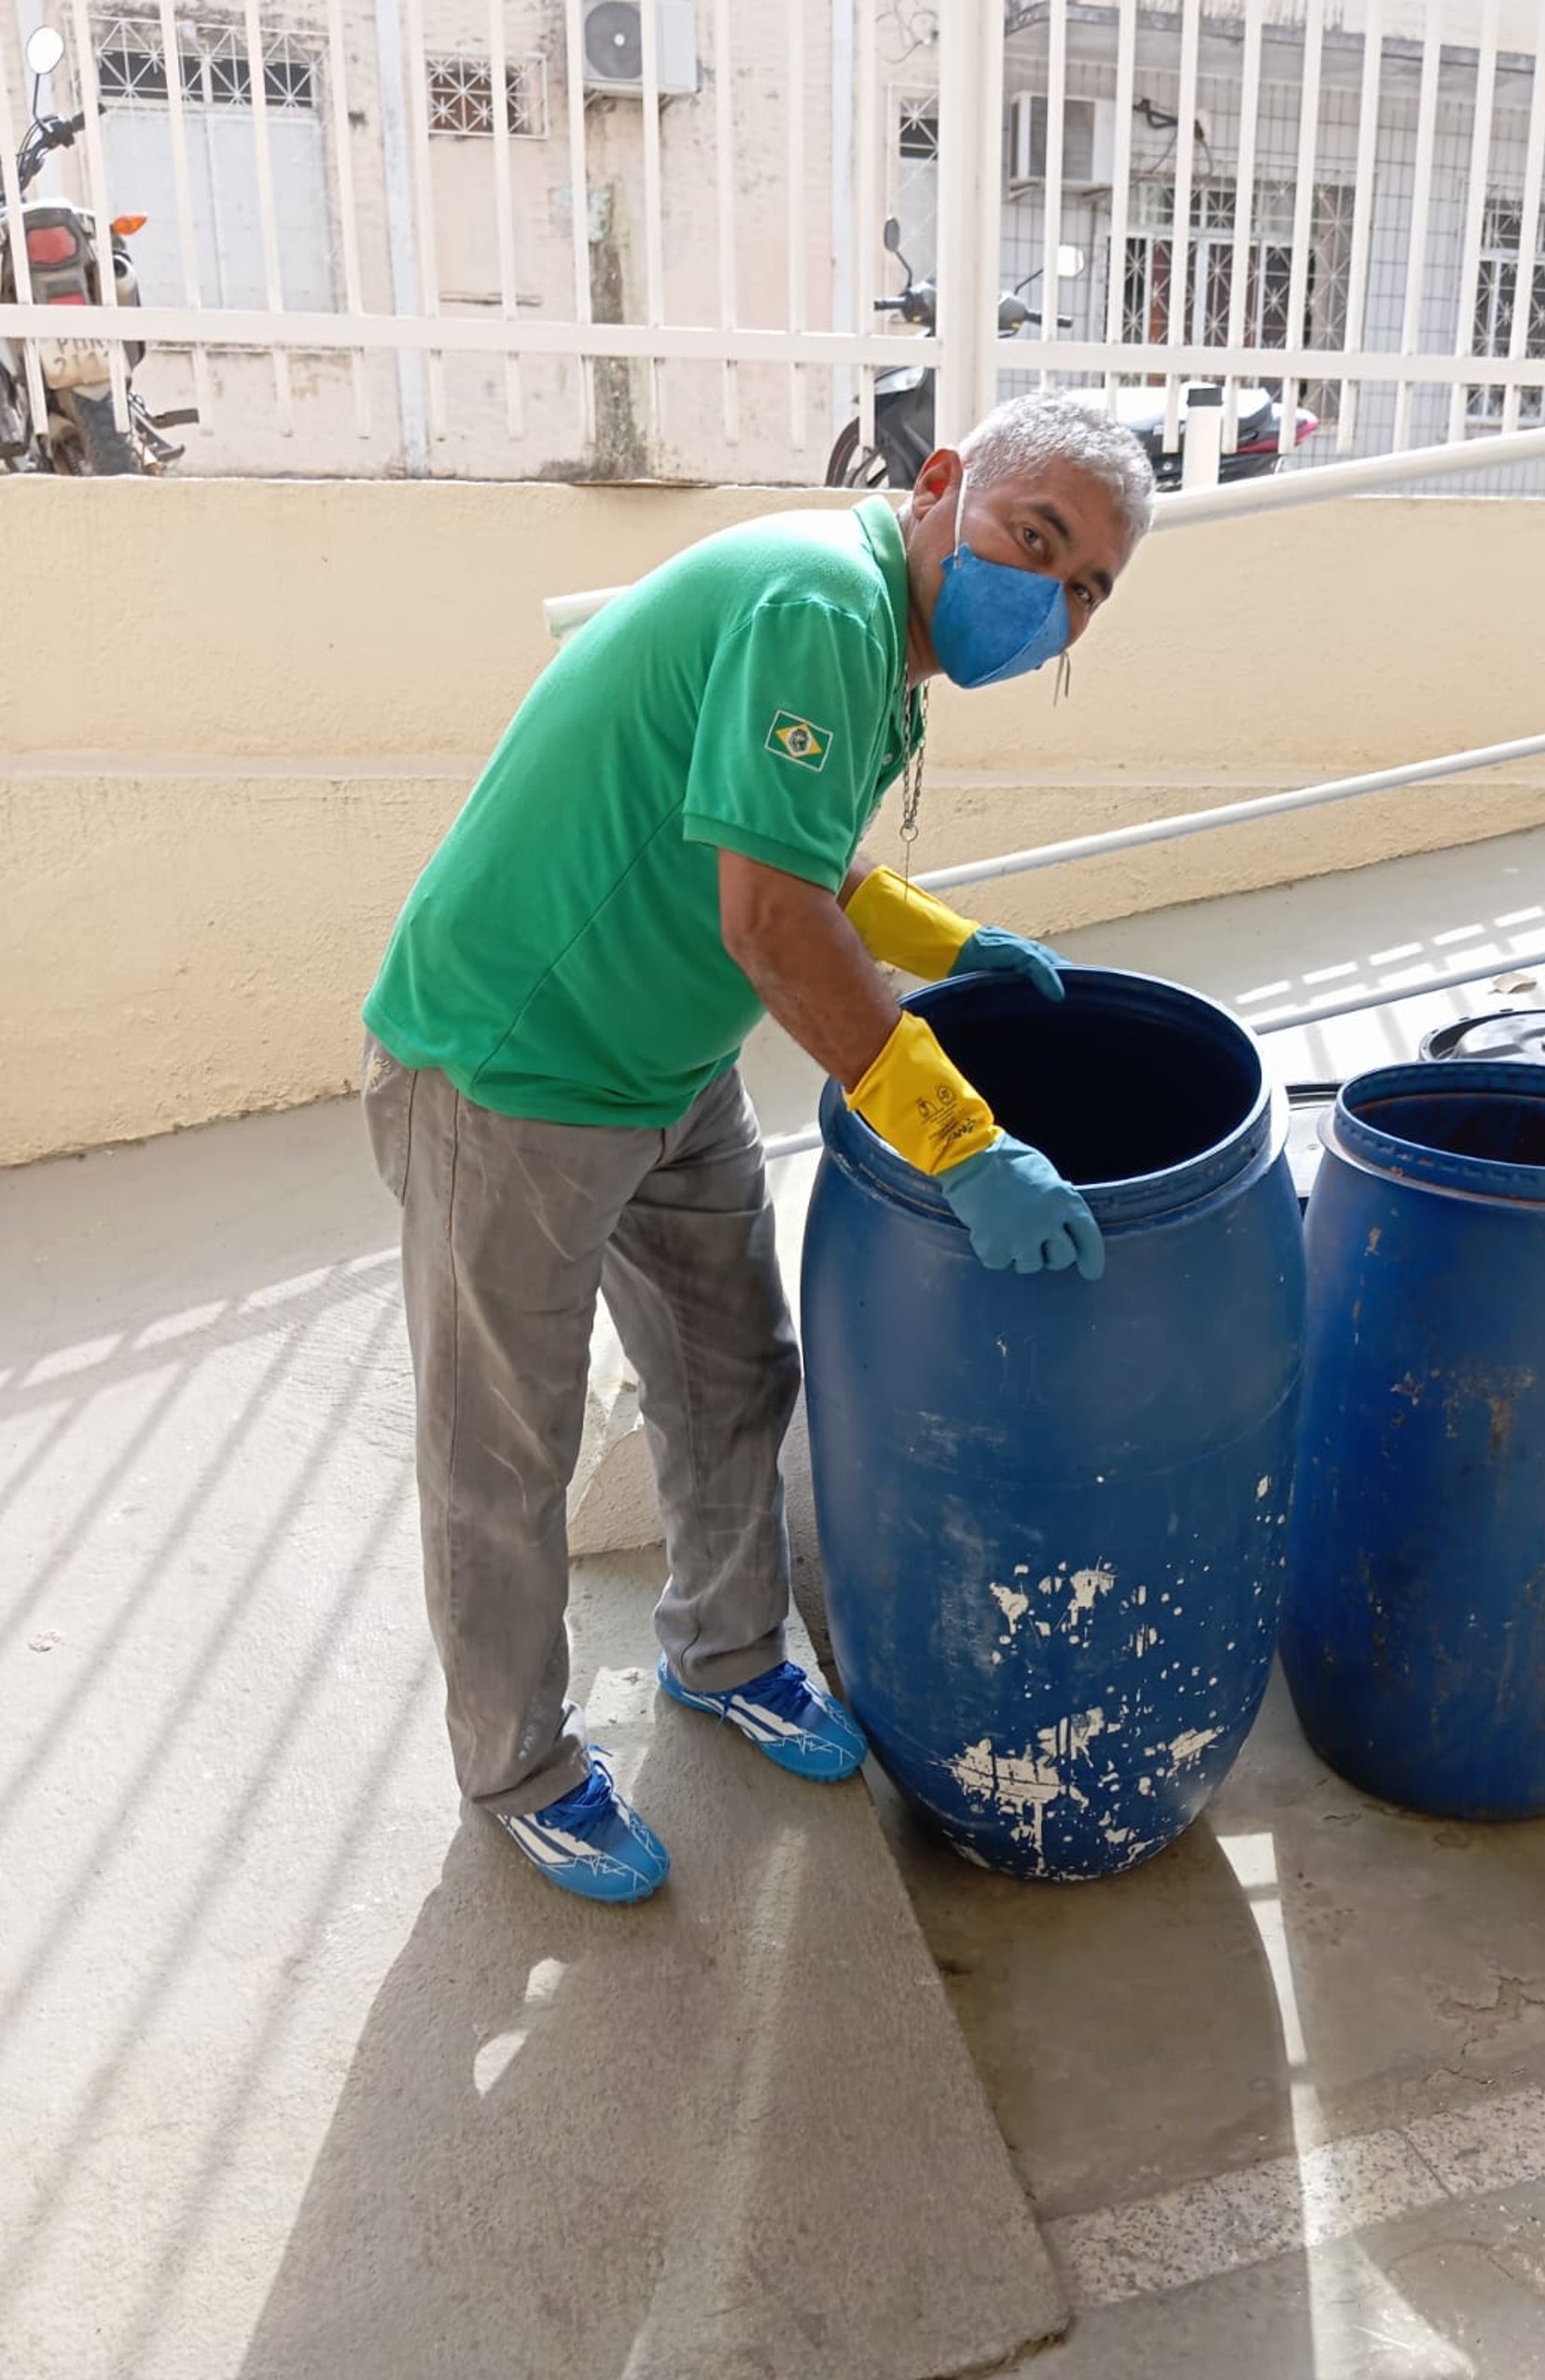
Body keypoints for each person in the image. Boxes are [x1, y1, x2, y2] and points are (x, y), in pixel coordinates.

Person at [360, 389, 1154, 1903]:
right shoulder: (814, 603)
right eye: (1032, 541)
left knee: (735, 1373)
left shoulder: (871, 630)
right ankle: (520, 1766)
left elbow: (789, 847)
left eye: (1085, 588)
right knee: (501, 1448)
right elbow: (771, 920)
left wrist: (941, 936)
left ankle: (724, 1655)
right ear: (940, 487)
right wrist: (962, 1147)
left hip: (664, 1059)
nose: (1048, 600)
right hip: (511, 1065)